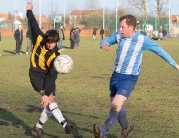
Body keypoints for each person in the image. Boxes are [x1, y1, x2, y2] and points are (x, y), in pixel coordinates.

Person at [92, 14, 179, 138]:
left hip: (129, 78)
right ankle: (126, 127)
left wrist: (175, 64)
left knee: (116, 105)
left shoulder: (142, 40)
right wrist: (103, 44)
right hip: (115, 76)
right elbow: (107, 40)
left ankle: (102, 132)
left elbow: (160, 51)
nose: (120, 29)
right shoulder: (119, 35)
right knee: (116, 106)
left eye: (123, 27)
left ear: (131, 27)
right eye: (120, 27)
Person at [26, 2, 73, 138]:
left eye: (53, 42)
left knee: (50, 102)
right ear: (46, 40)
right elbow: (33, 24)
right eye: (49, 41)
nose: (50, 44)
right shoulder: (39, 38)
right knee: (50, 100)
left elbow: (52, 75)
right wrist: (29, 10)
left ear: (57, 41)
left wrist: (47, 92)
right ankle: (65, 124)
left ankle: (38, 126)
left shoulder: (57, 56)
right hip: (35, 74)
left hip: (47, 76)